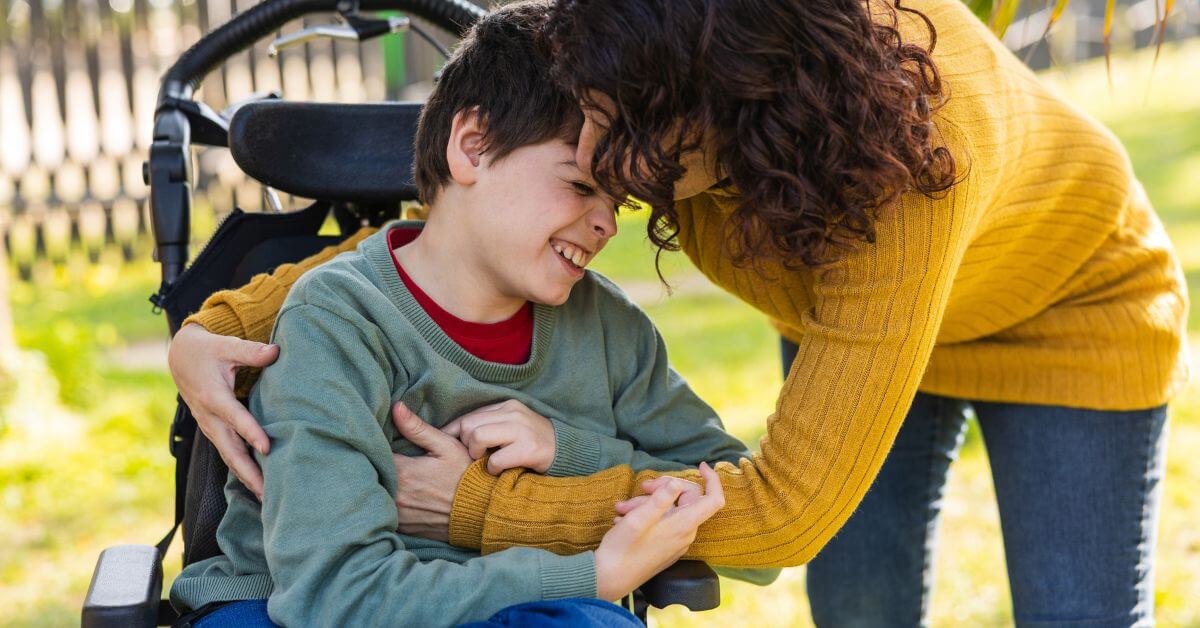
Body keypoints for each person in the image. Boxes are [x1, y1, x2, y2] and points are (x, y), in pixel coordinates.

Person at [173, 0, 1189, 624]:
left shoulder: (903, 168)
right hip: (858, 325)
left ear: (728, 107)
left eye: (620, 144)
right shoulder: (643, 65)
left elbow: (781, 518)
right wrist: (219, 321)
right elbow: (448, 236)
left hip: (1066, 310)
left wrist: (493, 508)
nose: (605, 181)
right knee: (862, 608)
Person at [167, 3, 773, 625]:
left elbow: (747, 523)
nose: (607, 226)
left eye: (618, 203)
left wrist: (567, 452)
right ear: (473, 147)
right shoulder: (341, 323)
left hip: (532, 603)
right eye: (580, 185)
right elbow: (334, 595)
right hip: (289, 606)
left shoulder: (610, 331)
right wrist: (592, 575)